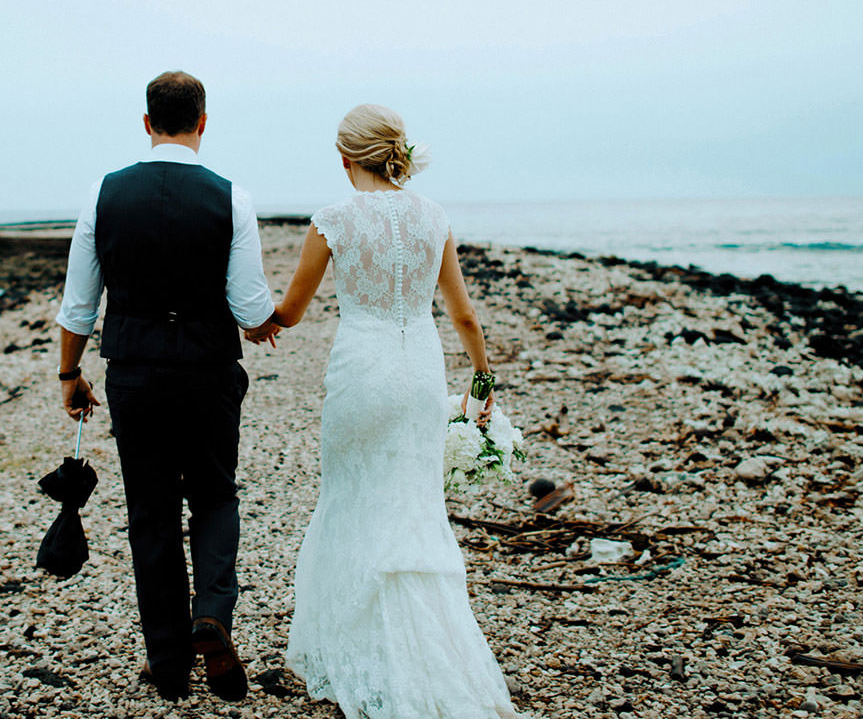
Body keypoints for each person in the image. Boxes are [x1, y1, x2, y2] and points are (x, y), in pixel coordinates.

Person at [260, 103, 524, 718]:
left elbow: (292, 311)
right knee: (411, 501)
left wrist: (255, 324)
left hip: (362, 370)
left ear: (344, 156)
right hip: (420, 371)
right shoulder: (434, 217)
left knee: (351, 495)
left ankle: (354, 648)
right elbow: (461, 313)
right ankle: (431, 650)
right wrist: (482, 381)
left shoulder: (333, 220)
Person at [55, 70, 277, 703]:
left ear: (146, 122)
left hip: (134, 371)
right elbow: (249, 303)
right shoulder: (230, 197)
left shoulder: (105, 195)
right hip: (208, 369)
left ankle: (169, 662)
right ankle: (211, 612)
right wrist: (266, 325)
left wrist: (71, 374)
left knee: (150, 515)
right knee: (214, 494)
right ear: (203, 122)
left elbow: (79, 305)